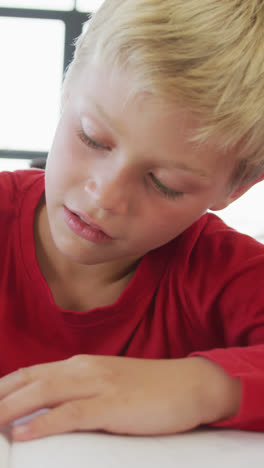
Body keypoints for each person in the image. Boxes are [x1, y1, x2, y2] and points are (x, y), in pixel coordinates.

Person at [0, 0, 264, 442]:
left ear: (235, 188)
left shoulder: (227, 274)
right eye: (91, 137)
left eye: (165, 183)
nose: (104, 196)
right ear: (66, 90)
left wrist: (205, 387)